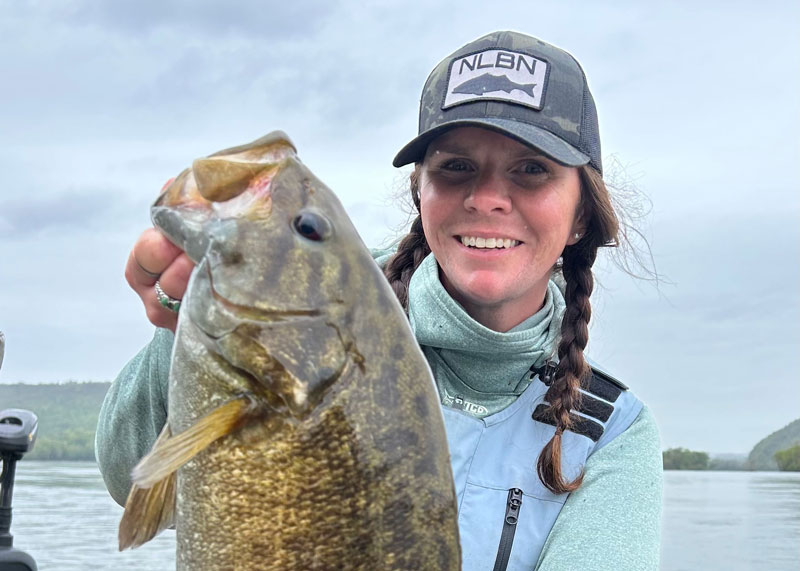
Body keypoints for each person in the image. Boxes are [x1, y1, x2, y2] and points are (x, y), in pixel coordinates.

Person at [96, 30, 662, 570]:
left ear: (580, 213)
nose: (488, 198)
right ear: (421, 191)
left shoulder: (610, 433)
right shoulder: (332, 310)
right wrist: (177, 327)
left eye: (531, 171)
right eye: (456, 167)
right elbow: (130, 477)